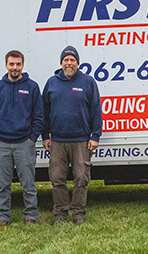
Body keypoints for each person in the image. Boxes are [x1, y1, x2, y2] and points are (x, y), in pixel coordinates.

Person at [42, 46, 102, 224]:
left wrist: (95, 136)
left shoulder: (88, 82)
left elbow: (96, 110)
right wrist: (45, 136)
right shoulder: (52, 83)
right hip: (58, 141)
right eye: (66, 60)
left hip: (81, 141)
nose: (69, 63)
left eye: (72, 60)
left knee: (81, 178)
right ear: (61, 63)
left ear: (78, 62)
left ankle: (78, 213)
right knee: (57, 178)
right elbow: (44, 112)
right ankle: (60, 213)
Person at [0, 50, 44, 225]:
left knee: (28, 184)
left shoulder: (32, 87)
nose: (15, 67)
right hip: (2, 143)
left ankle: (31, 216)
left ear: (22, 65)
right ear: (6, 65)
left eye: (18, 64)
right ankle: (4, 216)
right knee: (2, 184)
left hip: (24, 143)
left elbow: (39, 117)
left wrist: (32, 138)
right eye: (11, 64)